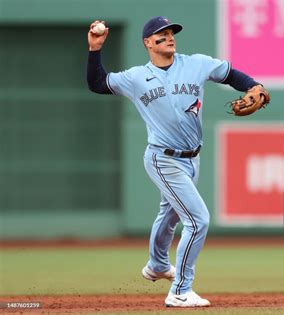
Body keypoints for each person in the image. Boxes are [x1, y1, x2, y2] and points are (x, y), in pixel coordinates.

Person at [86, 16, 269, 307]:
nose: (169, 37)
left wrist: (254, 84)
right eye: (161, 34)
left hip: (191, 159)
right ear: (148, 42)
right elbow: (97, 83)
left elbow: (231, 74)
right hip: (162, 158)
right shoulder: (136, 77)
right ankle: (181, 291)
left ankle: (158, 265)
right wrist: (95, 49)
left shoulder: (195, 63)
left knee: (169, 216)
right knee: (198, 221)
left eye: (171, 33)